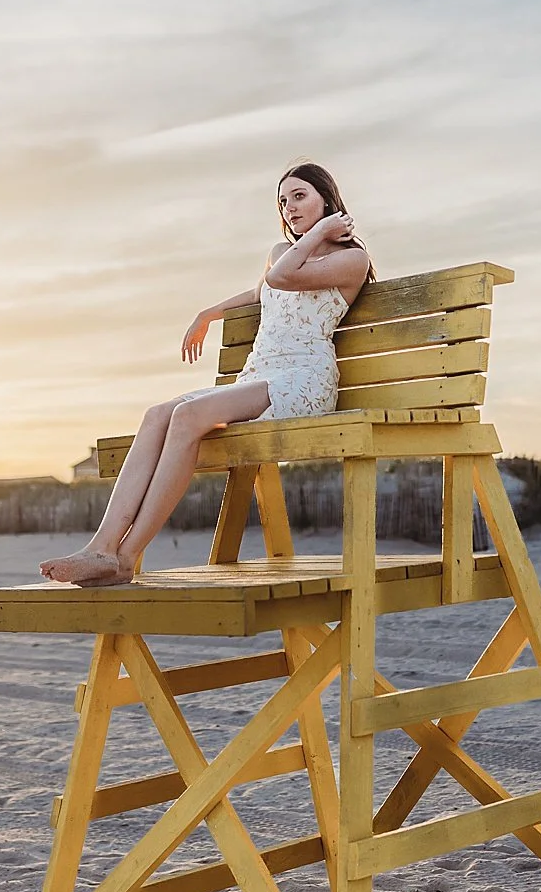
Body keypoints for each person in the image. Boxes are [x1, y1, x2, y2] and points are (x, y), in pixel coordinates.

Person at [40, 163, 371, 587]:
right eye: (283, 201)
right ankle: (100, 547)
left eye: (300, 196)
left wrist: (320, 234)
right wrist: (208, 313)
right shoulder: (282, 251)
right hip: (260, 376)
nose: (289, 208)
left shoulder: (351, 259)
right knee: (158, 413)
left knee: (189, 416)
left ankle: (126, 557)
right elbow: (260, 292)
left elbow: (282, 278)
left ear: (327, 198)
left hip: (303, 380)